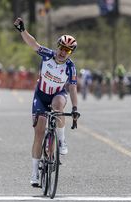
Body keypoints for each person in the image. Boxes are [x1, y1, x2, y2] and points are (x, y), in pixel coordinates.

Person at [14, 17, 80, 187]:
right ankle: (35, 173)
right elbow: (33, 44)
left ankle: (62, 140)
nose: (63, 52)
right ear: (57, 47)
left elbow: (72, 88)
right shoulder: (48, 55)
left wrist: (75, 108)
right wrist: (23, 30)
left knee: (58, 105)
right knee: (39, 132)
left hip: (58, 94)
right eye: (62, 48)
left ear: (71, 53)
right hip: (41, 96)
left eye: (68, 50)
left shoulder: (70, 67)